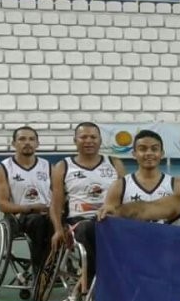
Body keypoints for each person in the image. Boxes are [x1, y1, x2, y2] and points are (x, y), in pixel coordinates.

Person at [49, 122, 126, 285]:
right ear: (75, 140)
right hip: (79, 221)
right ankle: (93, 280)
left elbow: (124, 197)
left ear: (100, 140)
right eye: (83, 137)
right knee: (88, 228)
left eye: (93, 137)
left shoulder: (115, 163)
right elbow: (56, 204)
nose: (89, 141)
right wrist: (57, 230)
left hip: (110, 219)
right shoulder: (63, 166)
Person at [0, 126, 53, 272]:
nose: (27, 142)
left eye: (31, 139)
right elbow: (3, 205)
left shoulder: (48, 166)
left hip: (47, 214)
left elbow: (59, 194)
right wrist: (31, 208)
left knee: (62, 220)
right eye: (22, 139)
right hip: (18, 217)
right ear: (14, 143)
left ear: (37, 143)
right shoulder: (3, 168)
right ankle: (41, 269)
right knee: (38, 221)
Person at [99, 130, 180, 222]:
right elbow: (108, 220)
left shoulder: (176, 185)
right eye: (143, 149)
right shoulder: (119, 186)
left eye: (154, 149)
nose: (149, 153)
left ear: (162, 154)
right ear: (134, 154)